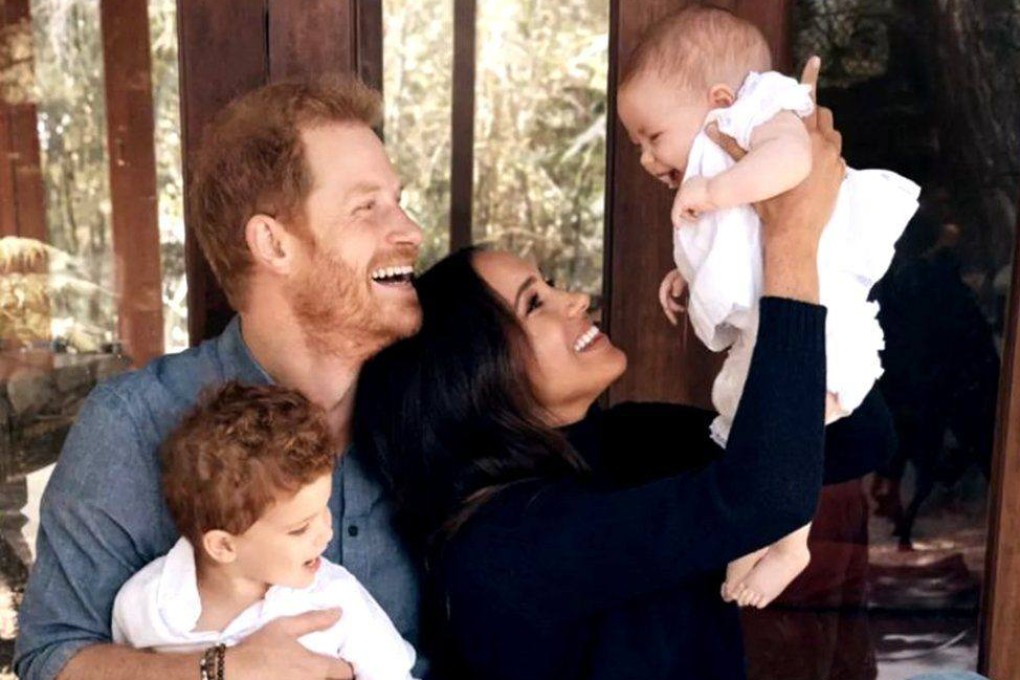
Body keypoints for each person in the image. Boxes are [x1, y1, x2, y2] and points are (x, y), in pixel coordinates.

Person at [353, 60, 895, 679]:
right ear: (474, 375)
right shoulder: (503, 545)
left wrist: (747, 283)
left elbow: (857, 437)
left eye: (552, 285)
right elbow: (763, 496)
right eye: (536, 303)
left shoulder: (624, 442)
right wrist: (789, 242)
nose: (575, 300)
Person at [14, 77, 424, 680]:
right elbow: (49, 658)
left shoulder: (430, 404)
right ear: (272, 243)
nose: (410, 229)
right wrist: (219, 670)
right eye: (368, 208)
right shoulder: (133, 424)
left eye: (398, 200)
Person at [615, 4, 919, 608]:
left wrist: (713, 189)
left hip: (823, 309)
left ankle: (790, 542)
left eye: (653, 137)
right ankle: (759, 530)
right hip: (777, 313)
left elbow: (793, 163)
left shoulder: (763, 111)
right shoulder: (722, 155)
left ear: (720, 97)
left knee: (791, 421)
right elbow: (743, 242)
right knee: (747, 418)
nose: (648, 159)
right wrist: (686, 274)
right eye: (637, 145)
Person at [112, 382, 417, 680]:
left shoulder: (335, 599)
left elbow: (392, 673)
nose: (326, 534)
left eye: (325, 509)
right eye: (299, 529)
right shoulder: (146, 604)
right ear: (223, 546)